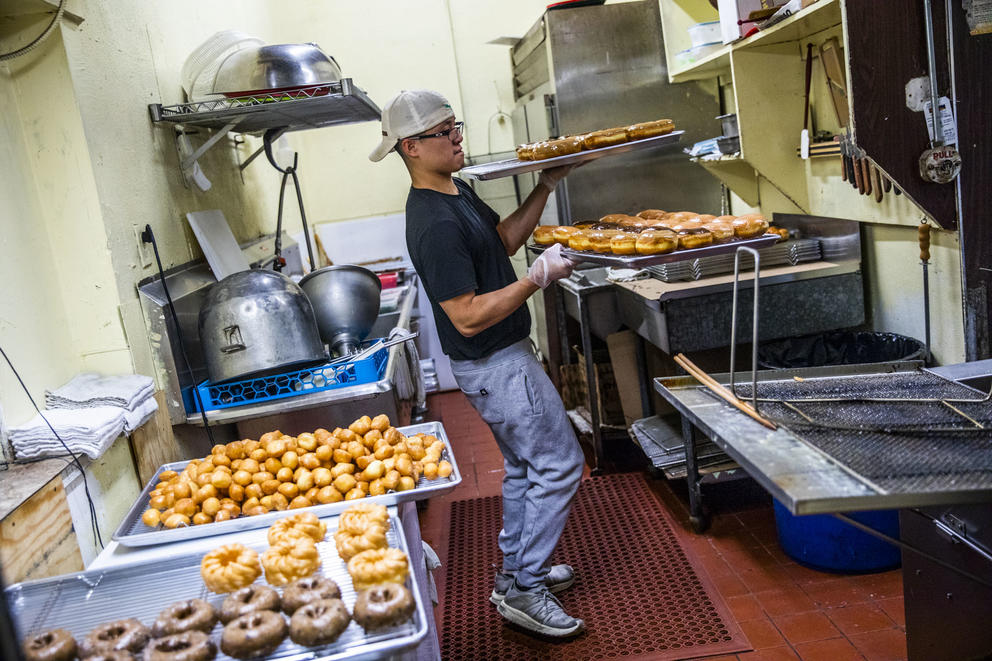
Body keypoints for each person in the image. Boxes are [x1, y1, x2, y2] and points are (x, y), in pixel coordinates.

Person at [370, 89, 586, 638]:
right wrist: (536, 281)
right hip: (495, 364)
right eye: (446, 132)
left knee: (525, 467)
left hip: (505, 359)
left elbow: (503, 241)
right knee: (560, 465)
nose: (459, 138)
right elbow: (466, 317)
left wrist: (545, 184)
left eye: (456, 126)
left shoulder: (457, 193)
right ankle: (524, 588)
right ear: (412, 147)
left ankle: (517, 571)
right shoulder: (432, 223)